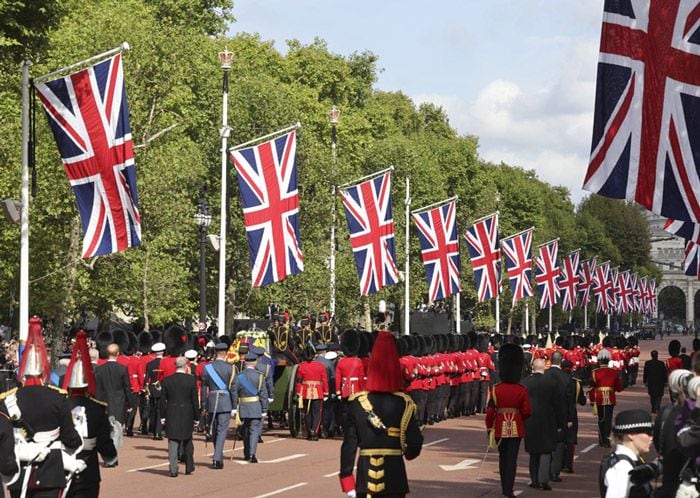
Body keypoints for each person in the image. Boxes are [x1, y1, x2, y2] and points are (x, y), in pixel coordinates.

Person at [4, 316, 82, 498]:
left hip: (20, 470)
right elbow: (70, 437)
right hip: (51, 472)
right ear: (43, 370)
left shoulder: (10, 398)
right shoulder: (58, 397)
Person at [339, 331, 423, 498]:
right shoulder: (404, 403)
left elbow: (349, 445)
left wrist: (347, 480)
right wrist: (408, 452)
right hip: (395, 477)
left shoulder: (357, 403)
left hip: (365, 478)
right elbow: (414, 443)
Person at [64, 330, 118, 498]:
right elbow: (103, 439)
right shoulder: (97, 408)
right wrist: (110, 456)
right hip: (88, 469)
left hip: (62, 467)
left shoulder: (60, 405)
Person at [485, 343, 531, 498]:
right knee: (512, 459)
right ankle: (508, 490)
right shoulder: (521, 390)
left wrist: (489, 427)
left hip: (499, 426)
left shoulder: (496, 389)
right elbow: (526, 411)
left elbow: (490, 411)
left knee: (502, 457)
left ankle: (504, 487)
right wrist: (518, 417)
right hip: (516, 426)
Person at [523, 358, 564, 491]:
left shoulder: (525, 382)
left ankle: (534, 480)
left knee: (533, 452)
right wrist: (560, 422)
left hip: (530, 420)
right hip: (548, 420)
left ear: (532, 367)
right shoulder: (552, 383)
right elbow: (558, 404)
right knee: (546, 451)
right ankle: (543, 481)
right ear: (544, 368)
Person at [601, 409, 656, 498]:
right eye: (648, 433)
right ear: (631, 435)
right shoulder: (622, 467)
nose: (651, 438)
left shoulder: (628, 461)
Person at [160, 357, 199, 477]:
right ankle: (189, 466)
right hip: (187, 412)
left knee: (173, 441)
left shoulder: (167, 380)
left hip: (172, 412)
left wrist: (162, 416)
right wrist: (197, 417)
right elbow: (194, 401)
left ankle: (173, 469)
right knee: (187, 440)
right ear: (185, 366)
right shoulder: (191, 380)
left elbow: (162, 401)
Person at [200, 342, 235, 469]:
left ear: (216, 353)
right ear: (225, 353)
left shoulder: (207, 368)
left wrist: (203, 404)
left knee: (214, 430)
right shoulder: (230, 368)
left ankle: (218, 457)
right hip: (225, 402)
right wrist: (235, 406)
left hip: (212, 400)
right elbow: (233, 389)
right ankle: (216, 458)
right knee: (221, 431)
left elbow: (204, 389)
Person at [94, 342, 134, 448]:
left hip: (103, 402)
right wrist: (130, 404)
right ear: (117, 353)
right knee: (116, 430)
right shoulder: (122, 369)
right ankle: (113, 455)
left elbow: (98, 389)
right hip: (118, 403)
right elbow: (127, 388)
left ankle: (108, 455)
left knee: (106, 430)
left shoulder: (99, 369)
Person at [231, 352, 268, 463]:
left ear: (245, 362)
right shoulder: (260, 376)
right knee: (254, 431)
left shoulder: (239, 376)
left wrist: (234, 407)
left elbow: (234, 393)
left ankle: (247, 453)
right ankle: (252, 454)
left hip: (243, 406)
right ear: (255, 363)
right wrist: (264, 408)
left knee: (246, 430)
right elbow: (263, 394)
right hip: (255, 406)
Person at [544, 351, 572, 483]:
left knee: (546, 444)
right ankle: (554, 472)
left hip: (546, 414)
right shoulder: (566, 377)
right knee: (559, 444)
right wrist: (569, 418)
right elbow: (569, 400)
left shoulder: (545, 374)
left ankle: (545, 471)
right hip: (561, 414)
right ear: (561, 361)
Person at [589, 349, 622, 447]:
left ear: (599, 361)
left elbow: (592, 388)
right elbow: (619, 388)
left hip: (599, 398)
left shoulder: (595, 372)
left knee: (601, 419)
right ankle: (607, 439)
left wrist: (592, 400)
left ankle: (603, 439)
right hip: (610, 398)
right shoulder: (614, 372)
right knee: (608, 419)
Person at [295, 344, 329, 440]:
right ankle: (315, 431)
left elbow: (298, 381)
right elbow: (324, 380)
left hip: (305, 391)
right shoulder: (320, 366)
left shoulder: (302, 366)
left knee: (307, 412)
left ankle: (310, 432)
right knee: (317, 412)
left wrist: (299, 392)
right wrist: (326, 392)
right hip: (318, 391)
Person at [145, 342, 166, 439]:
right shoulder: (165, 362)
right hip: (162, 387)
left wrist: (147, 389)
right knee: (160, 409)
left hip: (152, 388)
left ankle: (153, 429)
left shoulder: (149, 364)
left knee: (153, 409)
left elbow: (146, 379)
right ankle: (158, 432)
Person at [642, 350, 666, 414]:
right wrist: (666, 381)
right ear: (657, 356)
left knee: (652, 395)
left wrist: (644, 380)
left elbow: (645, 373)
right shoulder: (661, 363)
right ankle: (657, 407)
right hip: (660, 381)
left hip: (651, 381)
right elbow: (664, 373)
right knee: (659, 395)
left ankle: (653, 408)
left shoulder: (648, 363)